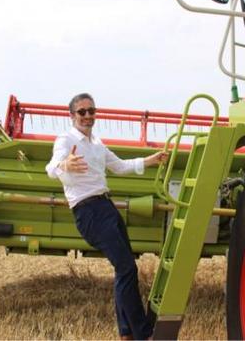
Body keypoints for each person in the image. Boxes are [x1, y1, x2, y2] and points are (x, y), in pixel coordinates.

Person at [45, 93, 167, 341]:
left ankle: (126, 333)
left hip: (106, 207)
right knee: (127, 269)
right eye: (82, 112)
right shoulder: (66, 140)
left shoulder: (97, 144)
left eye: (91, 111)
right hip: (88, 211)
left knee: (124, 270)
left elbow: (120, 166)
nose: (87, 116)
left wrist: (149, 160)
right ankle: (143, 334)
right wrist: (64, 165)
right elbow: (51, 167)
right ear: (72, 116)